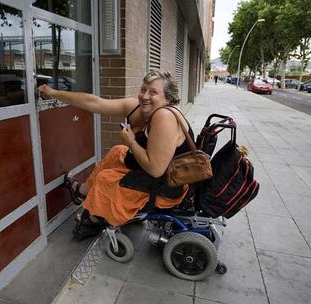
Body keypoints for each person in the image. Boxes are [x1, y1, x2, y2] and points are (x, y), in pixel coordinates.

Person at [38, 70, 194, 238]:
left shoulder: (164, 116)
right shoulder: (139, 108)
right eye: (143, 89)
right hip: (156, 175)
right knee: (117, 152)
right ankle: (82, 191)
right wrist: (52, 92)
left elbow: (156, 170)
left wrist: (131, 142)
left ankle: (94, 218)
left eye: (153, 92)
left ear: (168, 97)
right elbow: (94, 102)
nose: (145, 96)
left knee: (106, 178)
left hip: (168, 186)